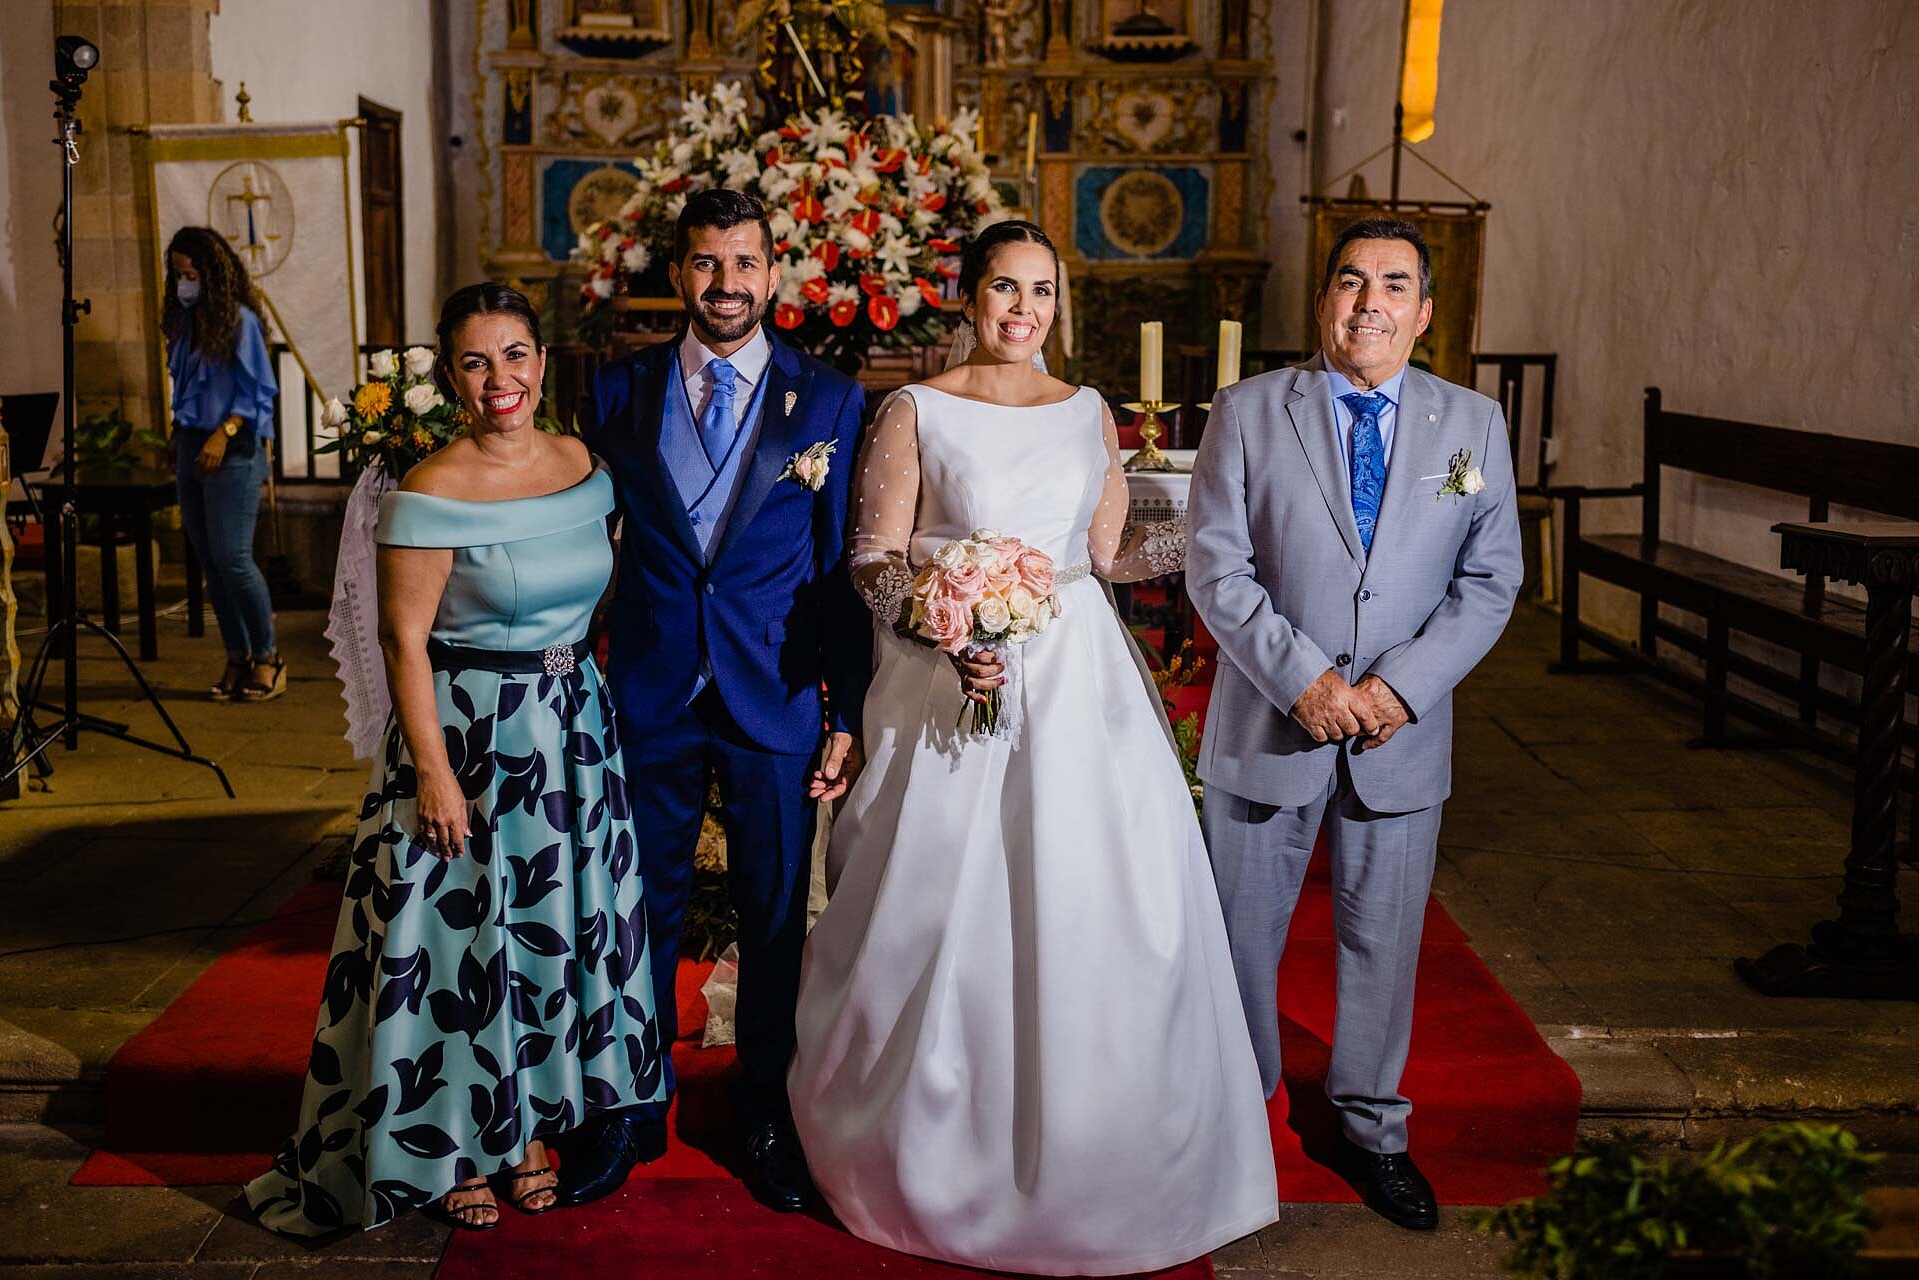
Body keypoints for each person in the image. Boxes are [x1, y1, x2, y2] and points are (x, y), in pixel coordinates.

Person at [788, 219, 1279, 1275]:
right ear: (970, 298)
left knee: (1092, 896)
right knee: (936, 900)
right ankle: (919, 1139)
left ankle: (1103, 1150)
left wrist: (1207, 521)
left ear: (1062, 302)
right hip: (946, 682)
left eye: (1043, 292)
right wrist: (946, 620)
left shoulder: (1089, 411)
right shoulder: (915, 408)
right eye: (1005, 289)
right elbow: (873, 560)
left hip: (1075, 682)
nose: (1024, 310)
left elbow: (1105, 554)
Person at [246, 283, 666, 1234]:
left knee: (544, 941)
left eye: (514, 355)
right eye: (476, 362)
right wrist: (434, 772)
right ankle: (454, 1151)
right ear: (451, 377)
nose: (498, 379)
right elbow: (404, 641)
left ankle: (522, 1134)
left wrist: (576, 701)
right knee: (461, 946)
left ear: (541, 364)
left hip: (569, 734)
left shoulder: (588, 470)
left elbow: (595, 595)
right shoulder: (430, 491)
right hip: (470, 741)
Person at [1186, 218, 1524, 1231]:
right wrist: (1305, 679)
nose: (1366, 300)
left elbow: (1491, 576)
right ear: (1323, 300)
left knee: (1384, 938)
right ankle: (1236, 1118)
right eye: (1348, 279)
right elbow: (1216, 563)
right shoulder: (1250, 411)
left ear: (1423, 313)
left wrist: (1399, 689)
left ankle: (1374, 1128)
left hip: (1400, 734)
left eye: (1392, 284)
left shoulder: (1472, 425)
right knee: (1241, 937)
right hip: (1270, 719)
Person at [564, 189, 871, 1213]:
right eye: (706, 264)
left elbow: (836, 573)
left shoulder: (826, 400)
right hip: (649, 688)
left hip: (774, 694)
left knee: (776, 916)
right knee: (636, 908)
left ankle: (769, 1112)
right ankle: (628, 1107)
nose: (725, 284)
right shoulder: (615, 388)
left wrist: (846, 709)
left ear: (774, 273)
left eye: (744, 263)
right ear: (678, 274)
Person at [163, 226, 284, 702]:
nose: (183, 283)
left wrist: (223, 433)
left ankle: (270, 656)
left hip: (233, 448)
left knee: (234, 558)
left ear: (212, 276)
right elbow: (188, 389)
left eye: (191, 274)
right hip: (192, 444)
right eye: (177, 275)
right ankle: (237, 655)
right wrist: (179, 436)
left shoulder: (239, 321)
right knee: (211, 562)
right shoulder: (187, 323)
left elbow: (257, 393)